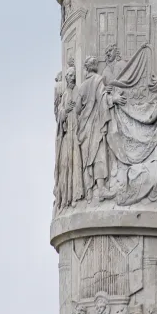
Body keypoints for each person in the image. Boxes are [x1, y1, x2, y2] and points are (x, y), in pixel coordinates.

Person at [75, 57, 118, 202]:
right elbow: (102, 99)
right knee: (98, 154)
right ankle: (100, 189)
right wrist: (114, 99)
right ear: (95, 67)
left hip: (84, 127)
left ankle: (88, 192)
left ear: (86, 68)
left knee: (87, 158)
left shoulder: (82, 87)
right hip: (95, 123)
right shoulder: (98, 80)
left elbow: (78, 108)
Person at [55, 66, 85, 210]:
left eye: (74, 75)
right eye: (70, 75)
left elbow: (81, 108)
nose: (72, 77)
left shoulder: (77, 90)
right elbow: (60, 112)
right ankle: (66, 197)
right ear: (66, 78)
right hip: (68, 134)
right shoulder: (65, 94)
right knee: (66, 165)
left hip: (76, 132)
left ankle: (75, 196)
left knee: (76, 162)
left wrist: (76, 108)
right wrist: (65, 111)